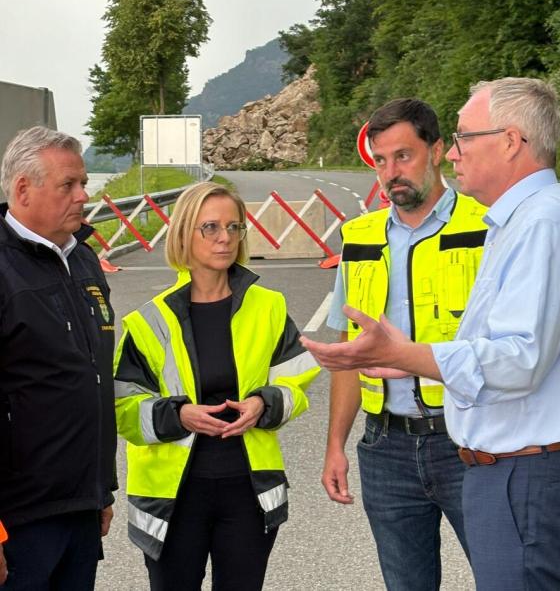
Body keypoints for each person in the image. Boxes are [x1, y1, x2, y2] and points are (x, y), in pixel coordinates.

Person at [302, 77, 560, 591]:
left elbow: (519, 358)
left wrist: (405, 354)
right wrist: (340, 437)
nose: (459, 150)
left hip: (515, 464)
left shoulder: (527, 224)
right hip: (434, 451)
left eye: (466, 136)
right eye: (379, 159)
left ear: (510, 141)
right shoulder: (517, 222)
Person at [114, 181, 320, 591]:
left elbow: (296, 385)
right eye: (210, 227)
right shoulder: (147, 322)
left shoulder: (270, 307)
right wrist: (179, 415)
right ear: (184, 234)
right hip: (173, 500)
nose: (224, 238)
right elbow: (123, 411)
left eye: (234, 227)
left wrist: (265, 403)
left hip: (247, 491)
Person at [323, 98, 487, 590]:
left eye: (404, 155)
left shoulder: (487, 227)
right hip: (385, 447)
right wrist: (336, 445)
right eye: (380, 160)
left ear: (437, 150)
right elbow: (351, 355)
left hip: (469, 441)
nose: (391, 172)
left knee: (504, 577)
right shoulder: (359, 238)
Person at [0, 127, 117, 589]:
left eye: (83, 183)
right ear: (23, 189)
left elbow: (93, 380)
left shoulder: (83, 259)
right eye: (68, 184)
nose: (83, 195)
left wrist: (100, 489)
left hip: (80, 505)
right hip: (19, 516)